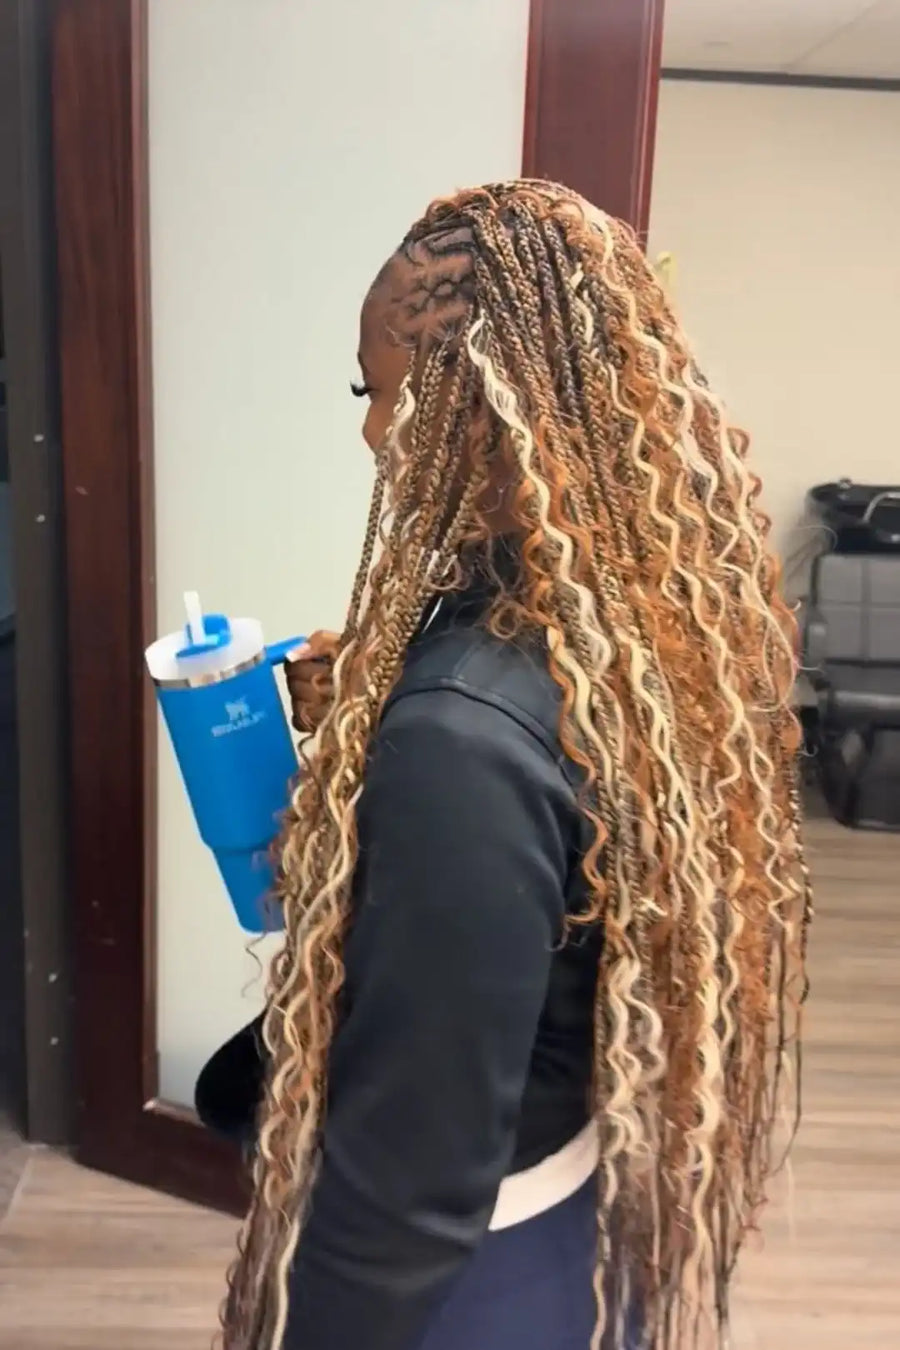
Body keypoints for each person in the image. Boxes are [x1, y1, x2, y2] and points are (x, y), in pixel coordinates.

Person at [195, 181, 811, 1350]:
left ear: (485, 415)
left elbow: (403, 1195)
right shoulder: (628, 621)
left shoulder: (460, 742)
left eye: (391, 396)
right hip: (572, 1205)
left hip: (464, 1278)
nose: (373, 431)